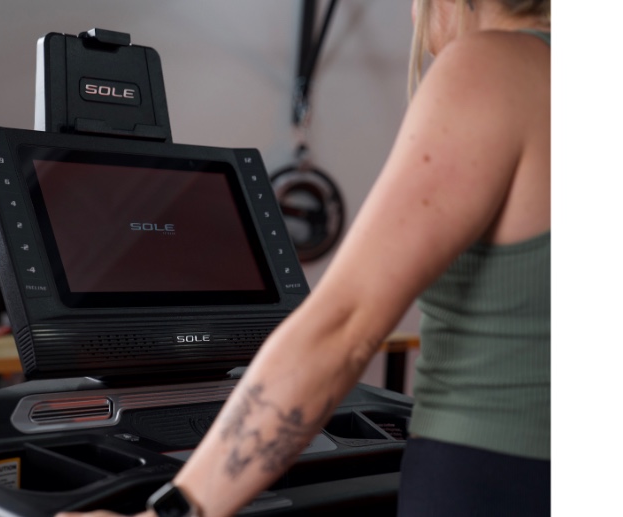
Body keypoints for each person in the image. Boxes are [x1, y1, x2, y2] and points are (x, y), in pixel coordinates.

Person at [60, 0, 550, 515]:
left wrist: (167, 512)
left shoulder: (493, 63)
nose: (413, 14)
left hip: (495, 476)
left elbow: (341, 328)